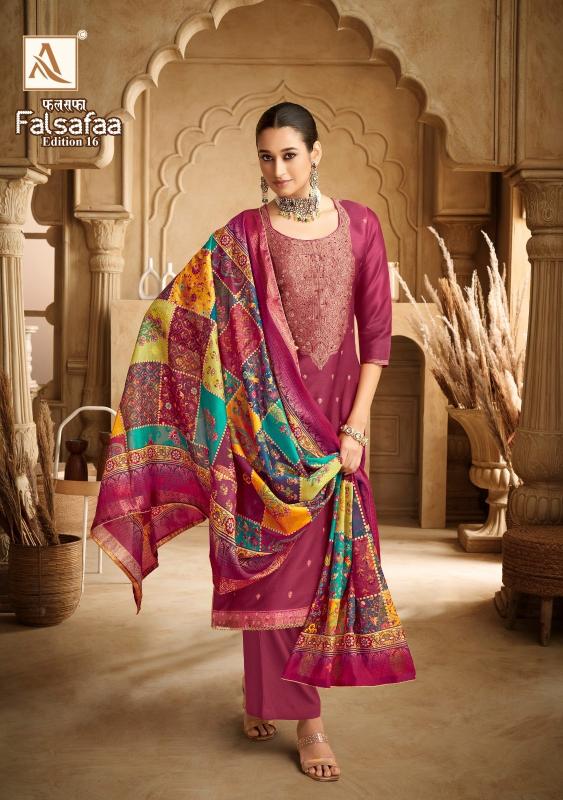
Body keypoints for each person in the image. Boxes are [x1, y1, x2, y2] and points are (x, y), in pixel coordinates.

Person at [91, 101, 416, 785]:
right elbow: (179, 312)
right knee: (268, 567)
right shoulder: (244, 234)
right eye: (266, 158)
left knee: (317, 569)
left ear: (316, 153)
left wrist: (356, 427)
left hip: (334, 427)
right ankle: (299, 716)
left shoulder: (361, 224)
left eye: (289, 155)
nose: (278, 170)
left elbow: (376, 337)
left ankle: (291, 710)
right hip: (259, 429)